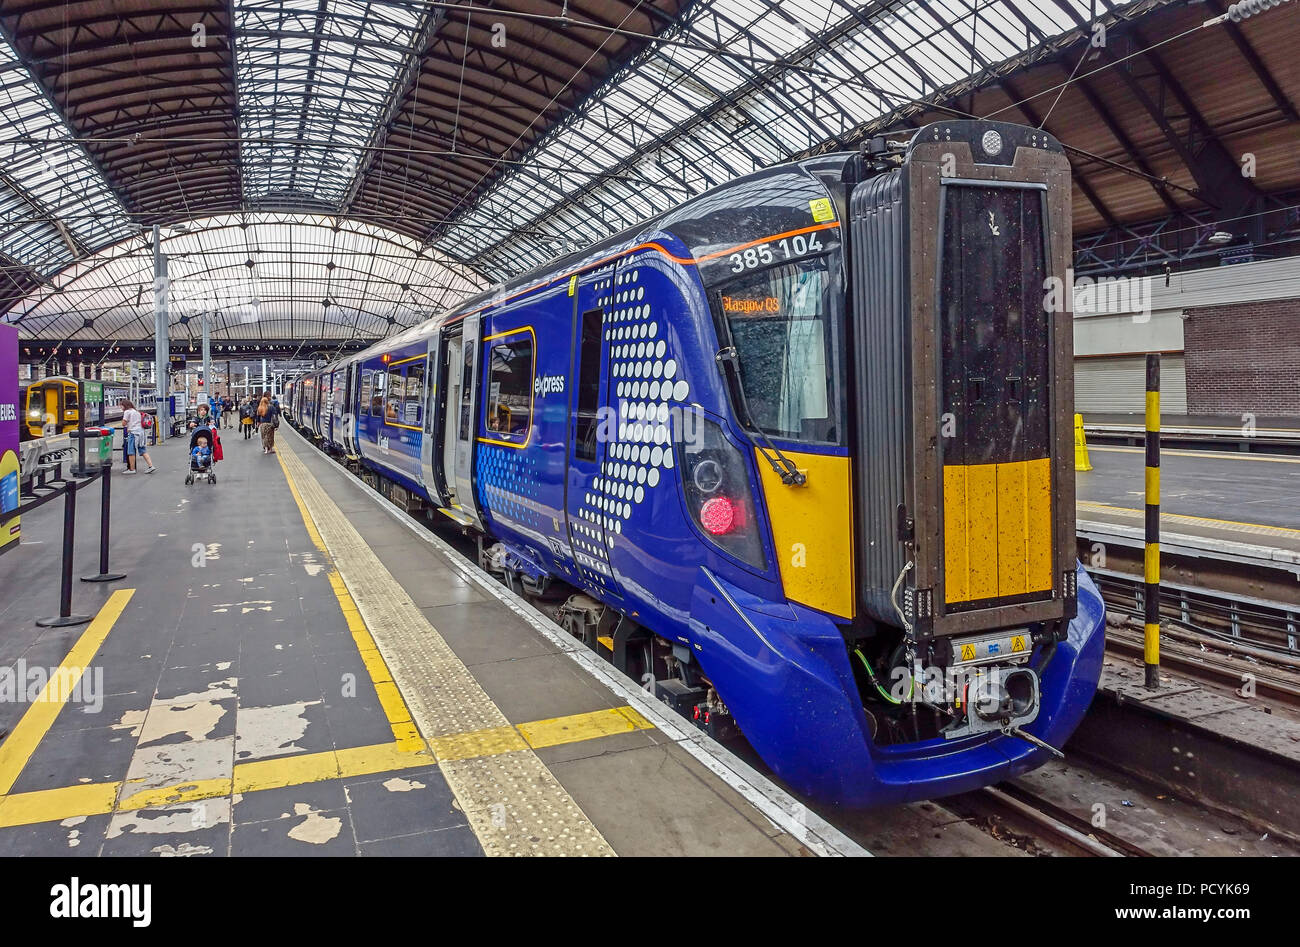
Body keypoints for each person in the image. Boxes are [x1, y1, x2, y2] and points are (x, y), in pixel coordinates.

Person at [119, 399, 156, 474]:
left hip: (133, 433)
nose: (120, 407)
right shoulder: (136, 411)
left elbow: (123, 423)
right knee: (142, 450)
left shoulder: (127, 412)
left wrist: (125, 421)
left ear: (124, 405)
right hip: (141, 432)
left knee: (131, 451)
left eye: (121, 405)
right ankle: (151, 466)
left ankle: (132, 469)